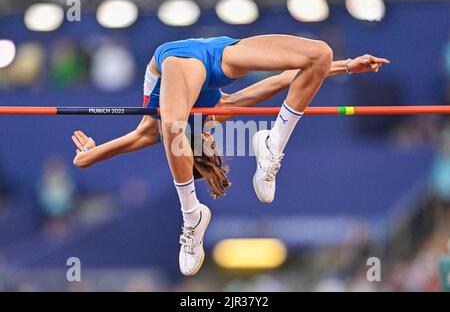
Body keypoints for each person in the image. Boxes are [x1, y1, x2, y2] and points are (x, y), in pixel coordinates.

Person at [71, 35, 389, 276]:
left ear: (198, 147)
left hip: (188, 55)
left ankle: (202, 205)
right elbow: (282, 79)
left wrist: (90, 154)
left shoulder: (159, 128)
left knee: (319, 53)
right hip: (214, 61)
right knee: (321, 57)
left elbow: (118, 145)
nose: (213, 139)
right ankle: (264, 151)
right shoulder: (216, 113)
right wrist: (346, 66)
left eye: (208, 142)